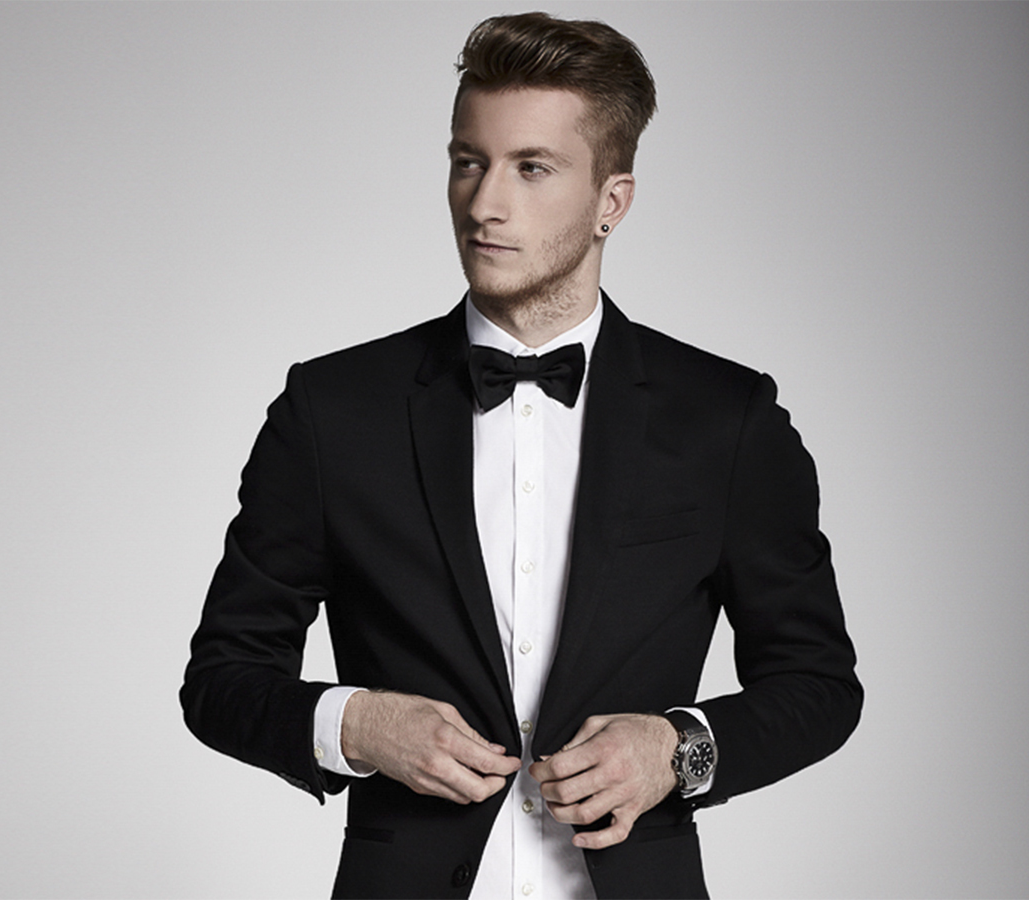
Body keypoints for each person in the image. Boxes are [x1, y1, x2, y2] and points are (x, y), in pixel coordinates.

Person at [181, 12, 861, 900]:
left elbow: (818, 685)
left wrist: (676, 749)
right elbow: (221, 680)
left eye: (531, 168)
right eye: (469, 161)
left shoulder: (726, 420)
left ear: (612, 201)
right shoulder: (332, 411)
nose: (484, 204)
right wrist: (357, 724)